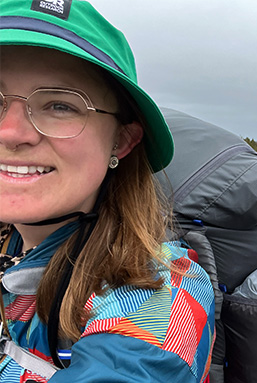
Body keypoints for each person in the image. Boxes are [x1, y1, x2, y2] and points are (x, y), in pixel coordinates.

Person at [0, 1, 214, 382]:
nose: (11, 132)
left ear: (121, 141)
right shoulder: (12, 244)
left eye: (60, 105)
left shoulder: (161, 298)